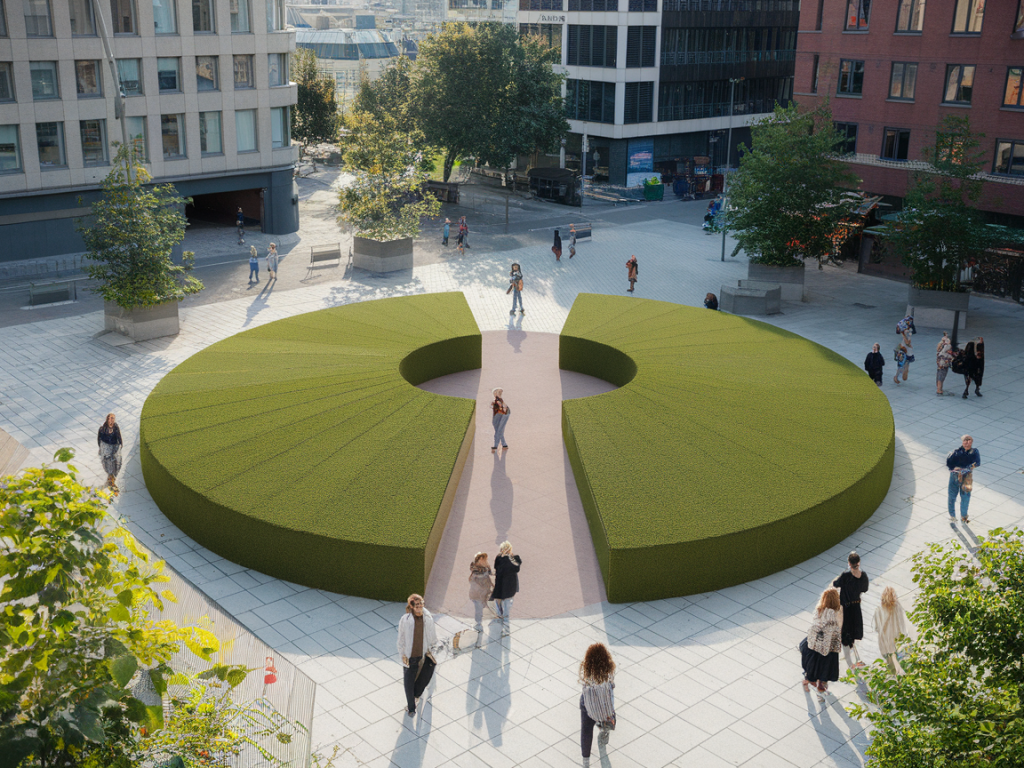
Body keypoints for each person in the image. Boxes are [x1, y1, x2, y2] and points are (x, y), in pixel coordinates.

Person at [397, 594, 437, 716]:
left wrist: (433, 648)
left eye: (421, 604)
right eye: (417, 605)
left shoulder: (428, 618)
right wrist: (402, 653)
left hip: (424, 654)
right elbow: (401, 637)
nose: (420, 607)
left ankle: (416, 697)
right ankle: (411, 707)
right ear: (412, 606)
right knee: (408, 682)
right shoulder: (406, 619)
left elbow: (432, 635)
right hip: (410, 656)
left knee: (423, 679)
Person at [799, 587, 842, 699]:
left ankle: (810, 682)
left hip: (815, 644)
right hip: (829, 646)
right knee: (825, 669)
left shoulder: (819, 610)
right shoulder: (837, 613)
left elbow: (815, 627)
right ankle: (820, 688)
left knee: (813, 667)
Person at [578, 643, 616, 764]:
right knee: (610, 711)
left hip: (589, 709)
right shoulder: (609, 673)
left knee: (586, 730)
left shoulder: (586, 673)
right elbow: (611, 688)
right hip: (605, 711)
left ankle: (585, 760)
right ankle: (604, 729)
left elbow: (585, 689)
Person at [833, 552, 869, 671]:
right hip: (856, 607)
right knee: (853, 633)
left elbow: (835, 584)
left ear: (849, 563)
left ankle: (850, 663)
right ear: (859, 563)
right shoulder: (863, 576)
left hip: (846, 609)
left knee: (845, 635)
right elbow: (865, 589)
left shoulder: (846, 575)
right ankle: (856, 660)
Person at [872, 586, 915, 676]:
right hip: (896, 639)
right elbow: (901, 624)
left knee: (891, 664)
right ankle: (901, 673)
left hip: (884, 642)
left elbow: (876, 628)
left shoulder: (878, 611)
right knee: (899, 659)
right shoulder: (897, 608)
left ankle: (897, 676)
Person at [946, 434, 980, 523]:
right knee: (955, 496)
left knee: (963, 497)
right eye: (966, 440)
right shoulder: (956, 452)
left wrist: (966, 468)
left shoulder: (973, 452)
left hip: (965, 476)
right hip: (958, 476)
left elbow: (977, 463)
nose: (967, 443)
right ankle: (955, 516)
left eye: (969, 441)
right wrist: (956, 469)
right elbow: (949, 463)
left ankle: (961, 516)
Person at [491, 541, 521, 636]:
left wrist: (510, 558)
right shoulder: (499, 558)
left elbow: (517, 568)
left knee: (506, 606)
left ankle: (506, 629)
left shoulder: (515, 558)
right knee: (498, 601)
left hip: (509, 585)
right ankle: (500, 618)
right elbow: (496, 568)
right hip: (500, 584)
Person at [97, 413, 123, 493]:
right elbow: (99, 440)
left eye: (113, 418)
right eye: (111, 418)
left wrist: (121, 444)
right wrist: (102, 449)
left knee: (117, 464)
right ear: (107, 419)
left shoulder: (115, 427)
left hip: (114, 447)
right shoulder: (102, 429)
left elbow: (119, 436)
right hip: (106, 448)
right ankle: (111, 483)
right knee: (109, 465)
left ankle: (110, 482)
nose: (112, 419)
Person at [468, 553, 494, 632]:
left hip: (485, 593)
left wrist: (488, 566)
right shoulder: (475, 572)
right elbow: (473, 582)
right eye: (483, 559)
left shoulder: (485, 568)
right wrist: (481, 590)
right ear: (479, 560)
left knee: (484, 607)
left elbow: (490, 575)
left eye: (486, 559)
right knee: (479, 609)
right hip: (477, 594)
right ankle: (478, 624)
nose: (485, 561)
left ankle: (480, 622)